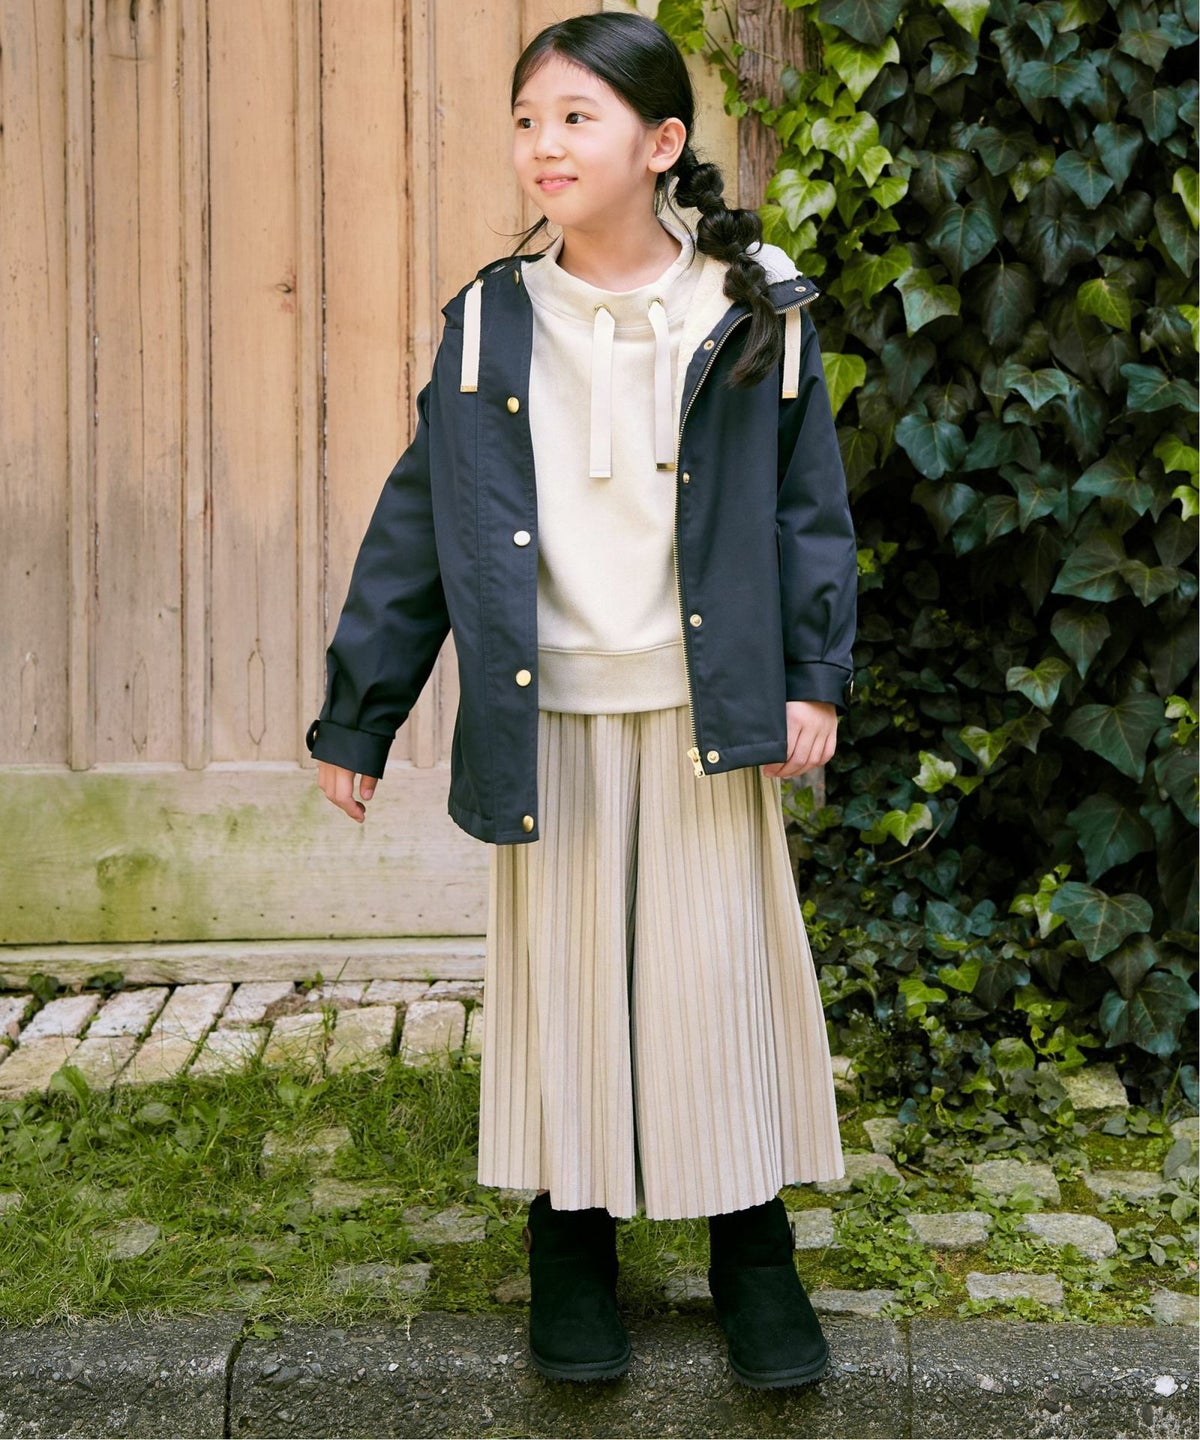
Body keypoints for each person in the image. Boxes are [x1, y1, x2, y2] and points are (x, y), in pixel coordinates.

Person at [309, 10, 856, 1391]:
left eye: (574, 118)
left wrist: (814, 677)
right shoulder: (493, 318)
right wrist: (361, 712)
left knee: (717, 984)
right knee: (566, 991)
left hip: (704, 713)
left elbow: (808, 512)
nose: (542, 146)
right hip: (546, 717)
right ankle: (570, 1245)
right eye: (526, 121)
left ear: (661, 144)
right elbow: (419, 521)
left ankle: (753, 1253)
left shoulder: (753, 307)